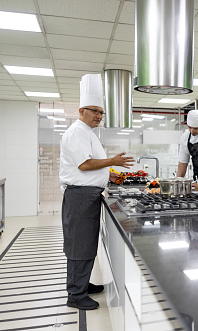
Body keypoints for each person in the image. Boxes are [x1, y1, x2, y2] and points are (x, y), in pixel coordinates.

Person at [59, 73, 134, 310]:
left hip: (87, 196)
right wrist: (112, 161)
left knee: (86, 244)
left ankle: (82, 284)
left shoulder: (87, 133)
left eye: (101, 112)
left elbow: (89, 165)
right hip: (80, 197)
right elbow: (84, 164)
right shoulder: (76, 132)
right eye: (94, 111)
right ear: (81, 111)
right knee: (79, 245)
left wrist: (108, 174)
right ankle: (75, 295)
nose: (99, 116)